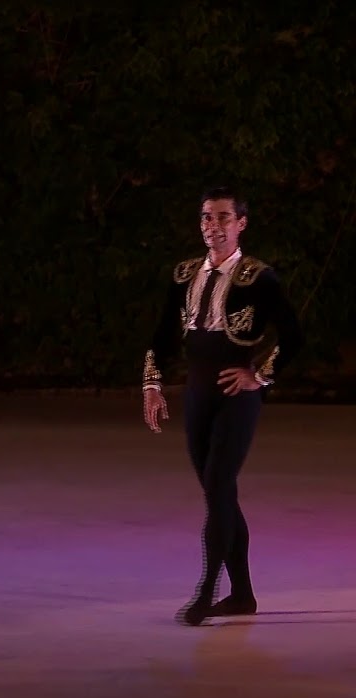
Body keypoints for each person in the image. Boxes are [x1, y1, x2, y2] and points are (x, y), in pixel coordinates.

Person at [141, 186, 304, 626]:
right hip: (198, 395)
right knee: (221, 494)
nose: (213, 226)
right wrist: (152, 384)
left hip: (237, 397)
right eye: (206, 218)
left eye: (223, 218)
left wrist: (259, 375)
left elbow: (293, 335)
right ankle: (243, 595)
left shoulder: (259, 277)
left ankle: (207, 589)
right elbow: (161, 336)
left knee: (217, 486)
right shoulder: (184, 274)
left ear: (241, 224)